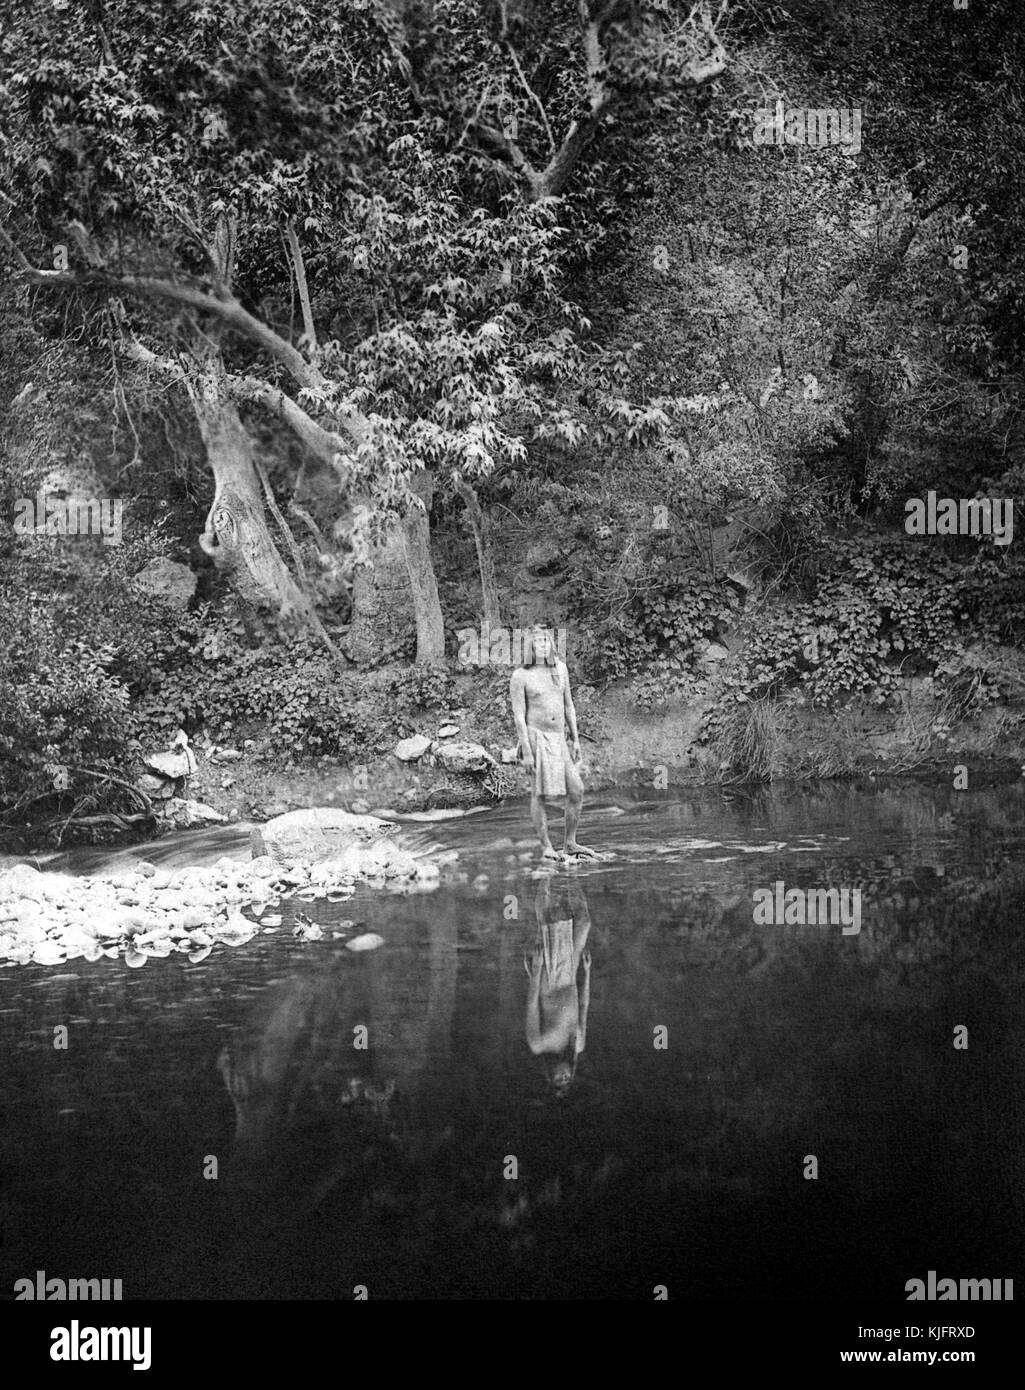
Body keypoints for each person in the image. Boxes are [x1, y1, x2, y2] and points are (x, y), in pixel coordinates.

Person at [509, 624, 597, 860]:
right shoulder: (521, 676)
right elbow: (519, 716)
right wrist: (526, 751)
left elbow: (569, 705)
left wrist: (576, 740)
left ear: (551, 645)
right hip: (535, 737)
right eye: (537, 642)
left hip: (559, 739)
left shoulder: (560, 669)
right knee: (539, 794)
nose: (542, 646)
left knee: (576, 789)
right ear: (529, 647)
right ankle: (546, 846)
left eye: (545, 641)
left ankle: (570, 843)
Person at [525, 879, 592, 1096]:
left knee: (549, 921)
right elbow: (583, 1005)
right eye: (567, 1078)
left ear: (550, 1074)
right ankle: (571, 876)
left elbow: (532, 1006)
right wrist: (587, 972)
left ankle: (545, 876)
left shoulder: (539, 1045)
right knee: (583, 922)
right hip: (571, 977)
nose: (564, 1075)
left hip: (549, 980)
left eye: (559, 1079)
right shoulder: (578, 1045)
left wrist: (536, 968)